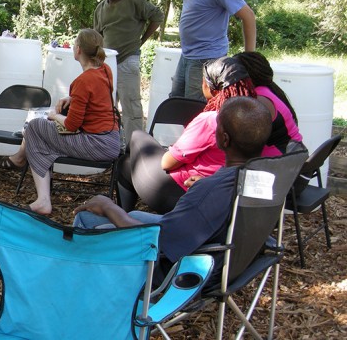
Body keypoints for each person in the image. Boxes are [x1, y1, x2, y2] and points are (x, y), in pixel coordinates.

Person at [73, 96, 272, 280]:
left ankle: (87, 286)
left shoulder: (208, 193)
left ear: (225, 139)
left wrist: (109, 207)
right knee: (126, 212)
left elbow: (156, 241)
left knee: (87, 219)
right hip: (221, 258)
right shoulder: (265, 179)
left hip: (173, 270)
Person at [0, 29, 120, 215]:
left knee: (35, 126)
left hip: (96, 144)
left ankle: (39, 192)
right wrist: (72, 98)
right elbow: (96, 94)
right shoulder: (105, 70)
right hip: (112, 140)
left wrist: (53, 115)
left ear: (77, 50)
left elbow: (71, 125)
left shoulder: (83, 81)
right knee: (38, 134)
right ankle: (24, 166)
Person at [118, 56, 255, 213]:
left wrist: (171, 151)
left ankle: (120, 219)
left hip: (184, 193)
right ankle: (123, 217)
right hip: (222, 194)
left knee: (137, 136)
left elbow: (167, 163)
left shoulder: (212, 120)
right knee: (126, 164)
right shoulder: (255, 115)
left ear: (212, 88)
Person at [93, 0, 164, 148]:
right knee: (107, 106)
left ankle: (135, 149)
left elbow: (157, 16)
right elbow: (97, 35)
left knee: (131, 106)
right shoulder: (100, 9)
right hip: (108, 62)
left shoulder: (134, 1)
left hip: (128, 58)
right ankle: (110, 145)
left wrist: (142, 40)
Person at [169, 0, 256, 101]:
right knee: (175, 101)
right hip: (187, 54)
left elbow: (248, 16)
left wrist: (249, 59)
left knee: (193, 107)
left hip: (206, 57)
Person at [234, 51, 303, 156]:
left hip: (279, 162)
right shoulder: (268, 90)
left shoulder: (258, 101)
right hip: (293, 155)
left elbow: (244, 141)